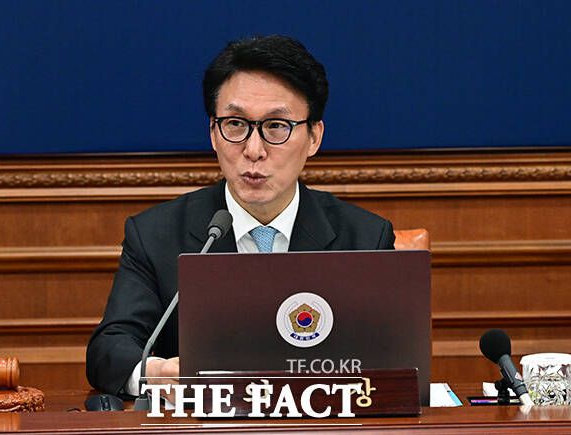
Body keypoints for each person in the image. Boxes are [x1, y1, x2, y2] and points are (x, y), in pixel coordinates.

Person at [86, 35, 395, 397]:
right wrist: (155, 372)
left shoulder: (365, 238)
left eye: (276, 126)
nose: (253, 150)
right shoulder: (155, 235)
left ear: (314, 137)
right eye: (235, 124)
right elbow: (109, 349)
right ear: (213, 133)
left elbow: (392, 361)